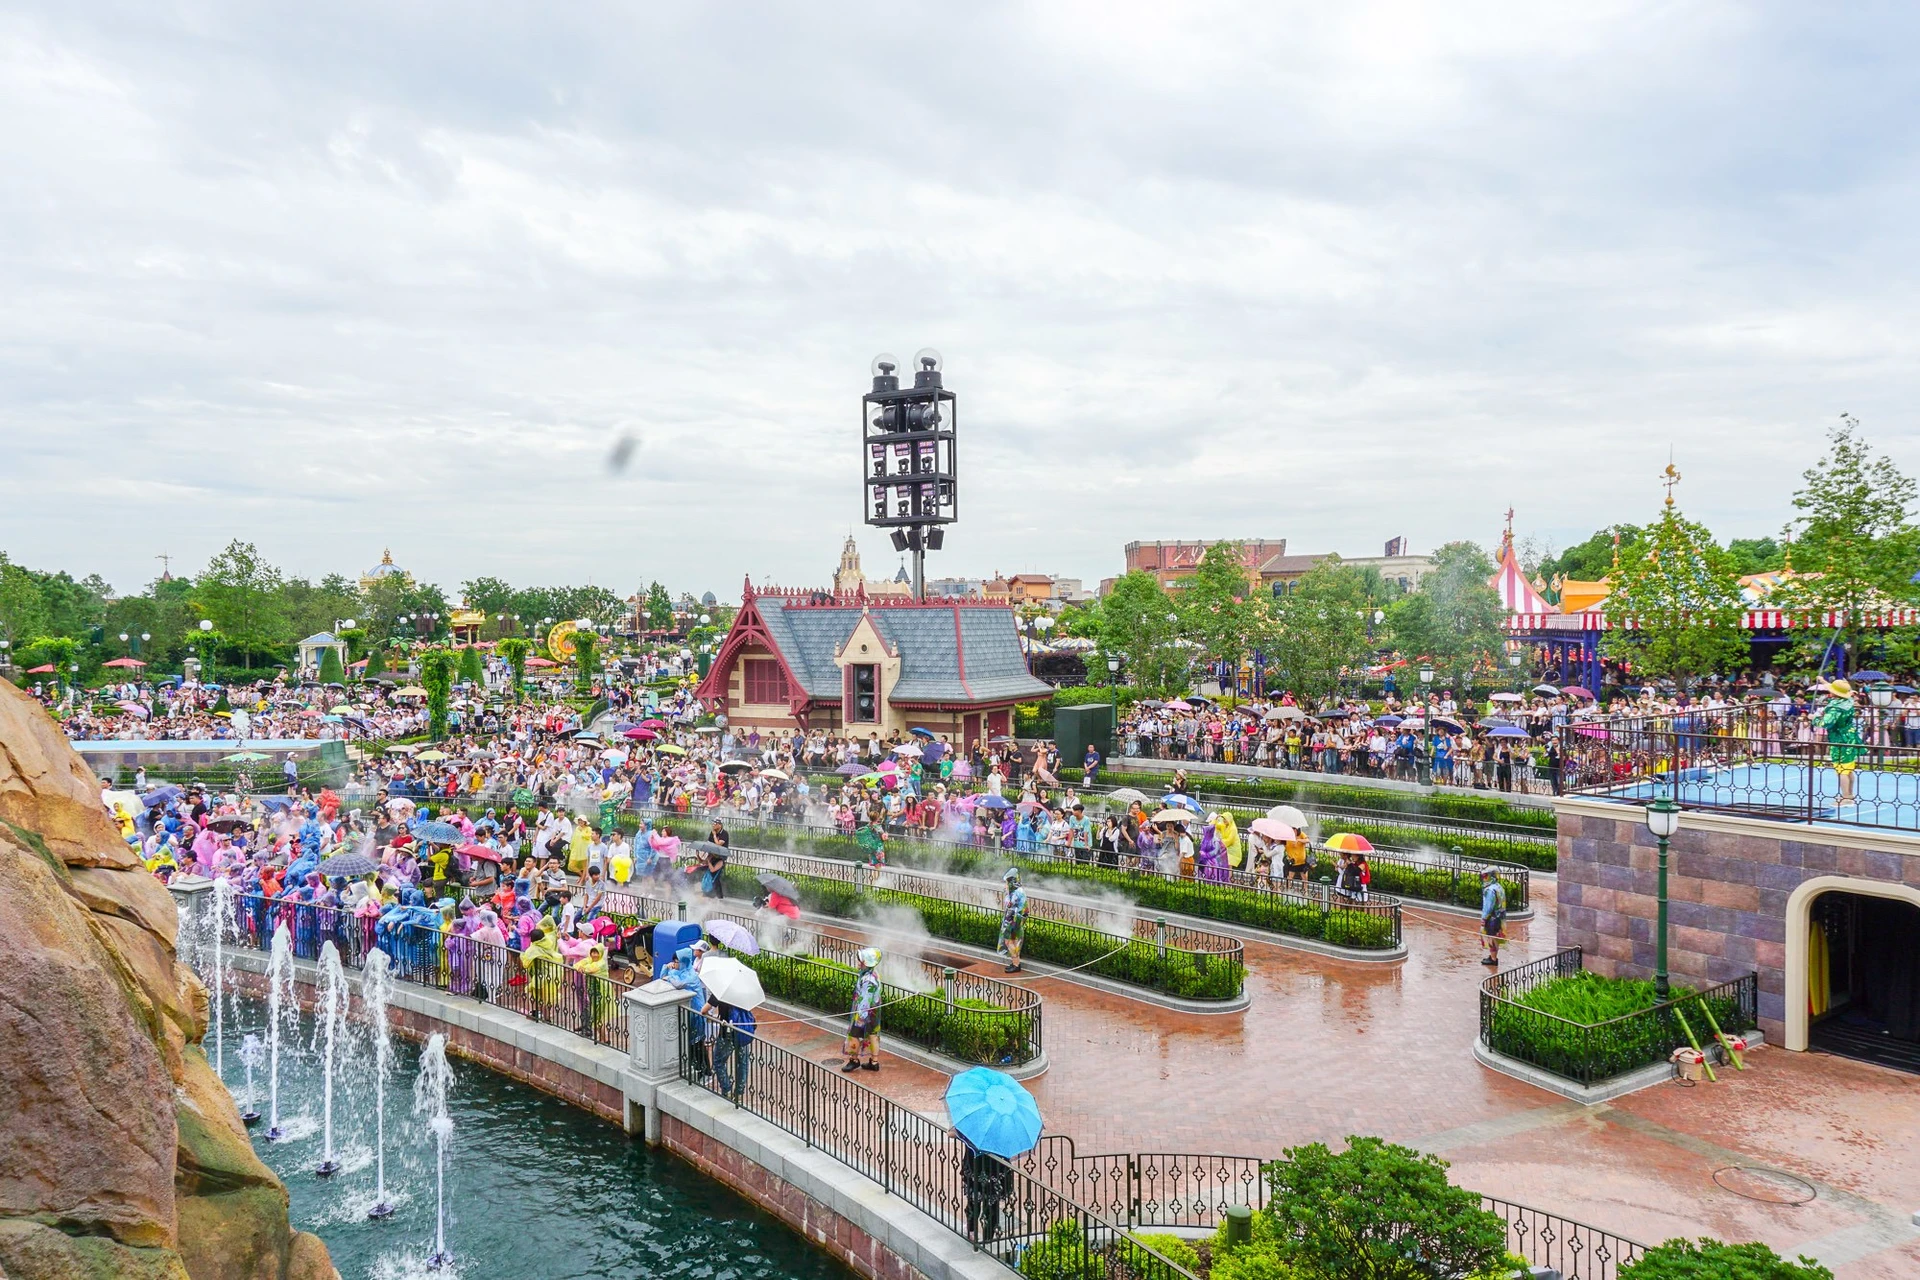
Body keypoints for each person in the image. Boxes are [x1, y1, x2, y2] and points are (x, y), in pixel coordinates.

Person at [959, 1133, 1014, 1244]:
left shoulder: (975, 1127)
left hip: (977, 1167)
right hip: (996, 1169)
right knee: (992, 1205)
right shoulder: (1004, 1130)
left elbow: (952, 1133)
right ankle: (987, 1238)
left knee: (974, 1201)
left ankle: (971, 1231)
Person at [1821, 679, 1863, 806]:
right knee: (1848, 768)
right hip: (1850, 737)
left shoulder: (1836, 707)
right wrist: (1822, 680)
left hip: (1840, 739)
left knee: (1842, 770)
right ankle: (1850, 795)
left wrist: (1814, 718)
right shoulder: (1849, 700)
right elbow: (1843, 691)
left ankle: (1845, 798)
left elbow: (1826, 723)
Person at [843, 947, 883, 1073]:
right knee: (873, 1034)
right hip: (874, 1012)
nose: (857, 962)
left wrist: (859, 1017)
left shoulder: (868, 980)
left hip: (864, 1013)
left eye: (860, 960)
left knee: (854, 1035)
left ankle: (854, 1060)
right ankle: (874, 1062)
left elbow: (865, 1001)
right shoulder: (872, 974)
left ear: (865, 963)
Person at [711, 996, 755, 1101]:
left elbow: (704, 1010)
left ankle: (727, 1090)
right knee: (742, 1063)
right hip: (742, 1034)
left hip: (727, 1035)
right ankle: (739, 1093)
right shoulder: (742, 992)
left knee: (718, 1061)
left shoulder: (721, 992)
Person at [996, 868, 1027, 973]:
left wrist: (1015, 923)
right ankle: (1015, 962)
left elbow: (1024, 911)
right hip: (1010, 922)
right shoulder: (1012, 892)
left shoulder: (1019, 892)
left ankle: (1016, 964)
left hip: (1014, 924)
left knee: (1010, 942)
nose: (1005, 884)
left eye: (1007, 882)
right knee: (1011, 942)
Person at [1479, 869, 1507, 967]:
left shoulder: (1490, 890)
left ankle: (1493, 959)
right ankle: (1493, 957)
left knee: (1491, 938)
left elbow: (1488, 907)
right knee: (1495, 937)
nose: (1484, 879)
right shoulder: (1499, 887)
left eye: (1485, 876)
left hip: (1492, 918)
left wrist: (1484, 919)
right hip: (1500, 917)